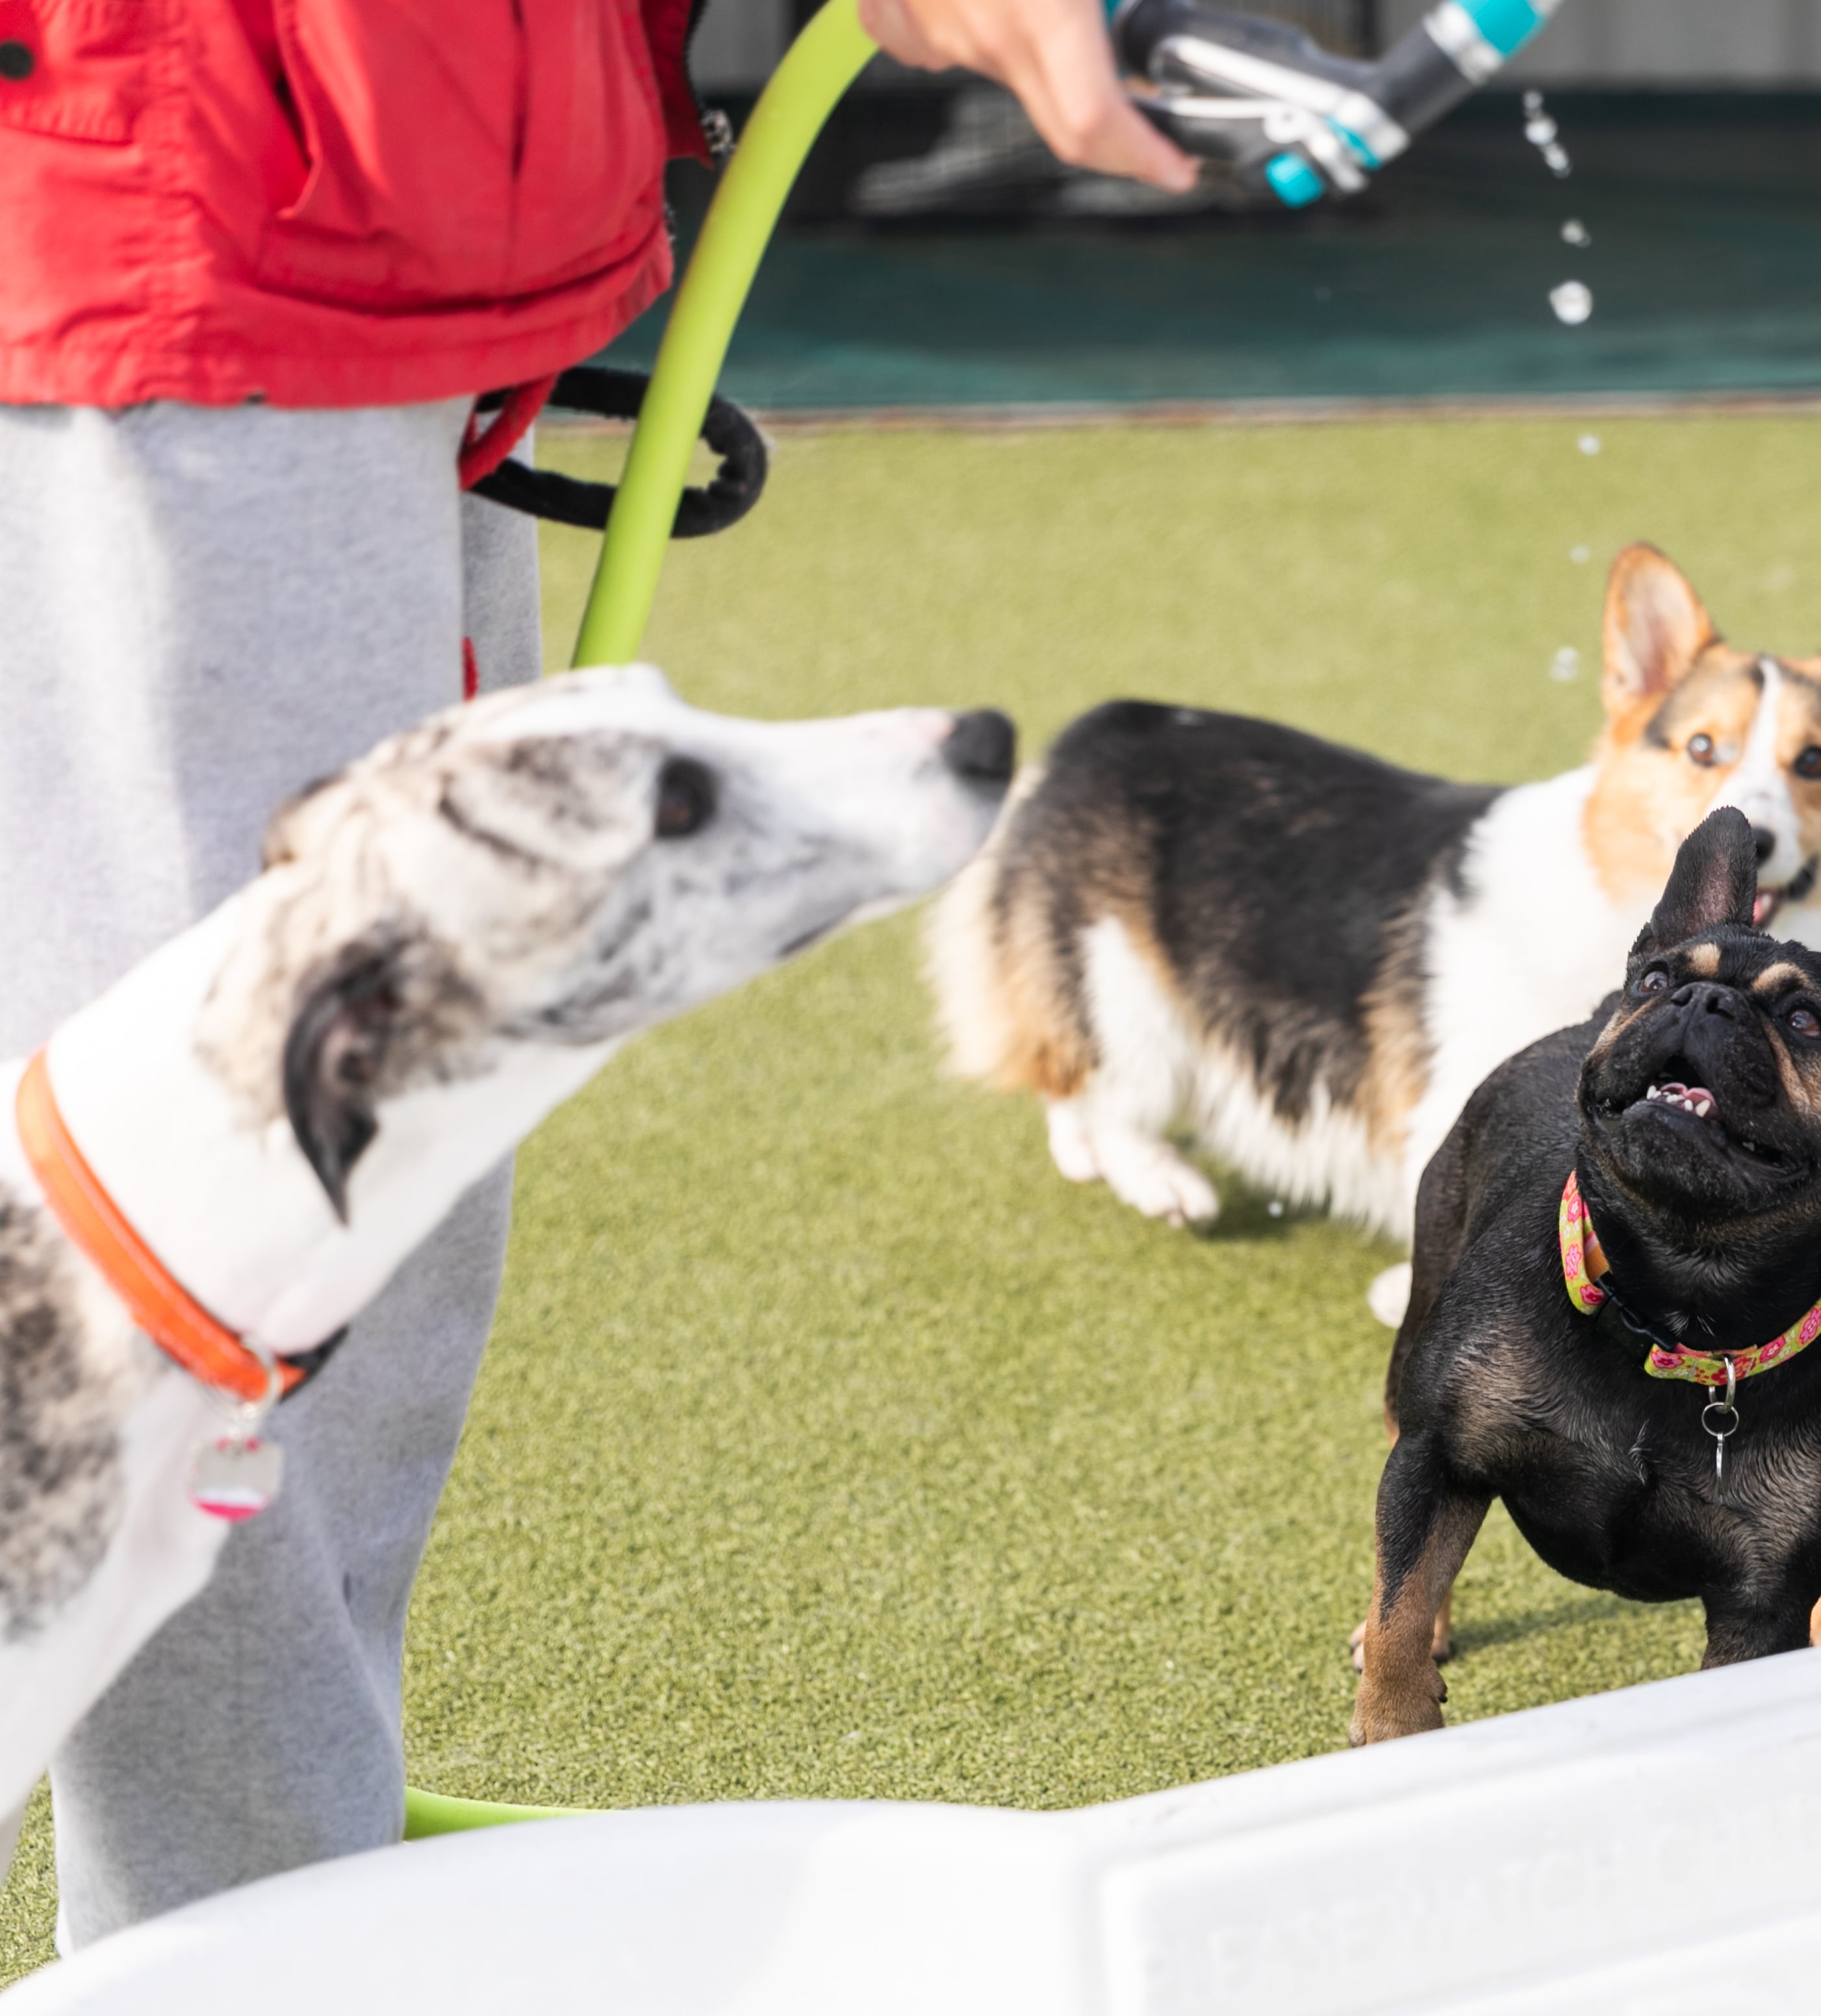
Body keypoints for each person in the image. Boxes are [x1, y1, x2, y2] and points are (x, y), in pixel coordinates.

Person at [0, 0, 1186, 1946]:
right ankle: (252, 1960)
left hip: (391, 216)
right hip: (177, 208)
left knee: (337, 1270)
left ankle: (262, 1939)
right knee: (206, 1284)